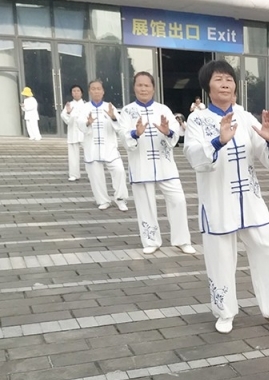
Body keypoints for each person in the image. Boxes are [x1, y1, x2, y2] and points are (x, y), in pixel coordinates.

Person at [184, 60, 269, 334]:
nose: (225, 83)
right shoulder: (197, 120)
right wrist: (218, 141)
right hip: (217, 203)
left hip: (251, 202)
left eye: (229, 79)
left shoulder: (245, 118)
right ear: (208, 86)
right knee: (220, 258)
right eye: (218, 79)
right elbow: (194, 157)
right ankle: (225, 312)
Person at [118, 71, 195, 256]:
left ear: (153, 88)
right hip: (141, 165)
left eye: (147, 85)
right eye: (140, 85)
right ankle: (151, 240)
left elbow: (175, 134)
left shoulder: (163, 109)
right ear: (134, 87)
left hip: (165, 165)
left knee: (178, 200)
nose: (143, 88)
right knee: (145, 204)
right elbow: (123, 136)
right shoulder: (127, 111)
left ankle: (182, 240)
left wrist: (168, 131)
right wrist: (135, 133)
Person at [76, 80, 128, 211]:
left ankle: (120, 199)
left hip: (109, 147)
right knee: (95, 175)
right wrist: (87, 123)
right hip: (92, 147)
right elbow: (80, 124)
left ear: (103, 91)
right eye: (93, 89)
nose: (96, 91)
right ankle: (103, 200)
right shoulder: (84, 108)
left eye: (99, 88)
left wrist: (113, 117)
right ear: (89, 91)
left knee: (119, 170)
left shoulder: (110, 107)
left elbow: (120, 125)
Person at [61, 85, 85, 181]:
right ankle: (74, 174)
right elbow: (66, 119)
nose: (76, 92)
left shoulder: (86, 105)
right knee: (73, 155)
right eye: (74, 91)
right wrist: (68, 113)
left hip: (84, 133)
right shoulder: (69, 105)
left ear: (81, 92)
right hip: (73, 133)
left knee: (89, 153)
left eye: (78, 90)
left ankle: (93, 174)